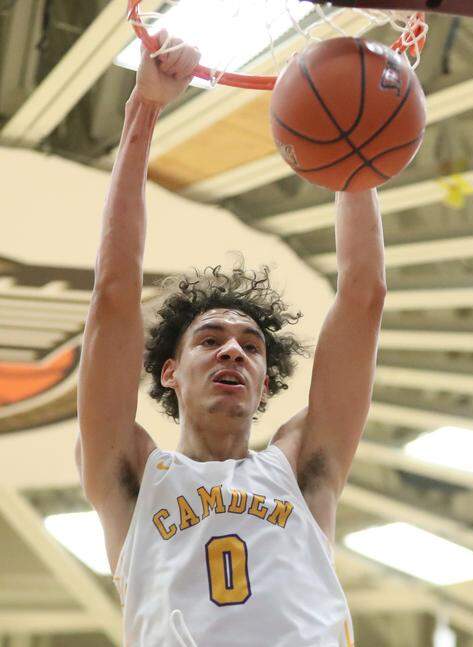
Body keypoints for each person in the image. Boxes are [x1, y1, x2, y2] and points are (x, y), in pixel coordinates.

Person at [75, 31, 386, 646]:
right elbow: (113, 294)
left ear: (265, 383)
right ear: (168, 371)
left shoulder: (301, 469)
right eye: (210, 338)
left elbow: (364, 296)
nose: (232, 351)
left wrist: (353, 161)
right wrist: (144, 108)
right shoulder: (129, 472)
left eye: (250, 346)